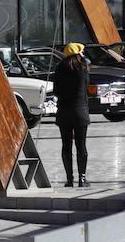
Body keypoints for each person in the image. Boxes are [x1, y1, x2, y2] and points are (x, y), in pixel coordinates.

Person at [51, 42, 91, 187]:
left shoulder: (59, 68)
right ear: (78, 53)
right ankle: (82, 178)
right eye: (81, 52)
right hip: (80, 111)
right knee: (81, 146)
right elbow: (87, 84)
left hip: (64, 112)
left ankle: (69, 179)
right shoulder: (83, 67)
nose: (83, 54)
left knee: (66, 146)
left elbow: (55, 91)